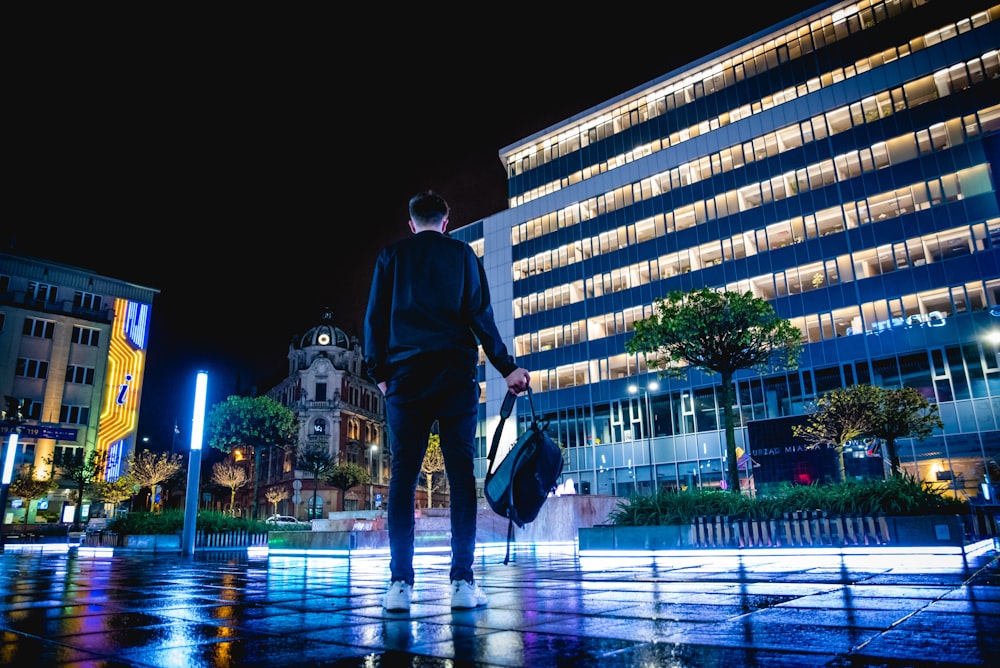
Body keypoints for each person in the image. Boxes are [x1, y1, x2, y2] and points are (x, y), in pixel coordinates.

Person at [364, 190, 531, 613]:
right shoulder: (463, 256)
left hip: (405, 379)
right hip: (456, 378)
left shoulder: (391, 256)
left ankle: (400, 585)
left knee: (402, 477)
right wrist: (507, 367)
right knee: (460, 477)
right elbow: (481, 317)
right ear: (446, 221)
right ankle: (461, 583)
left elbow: (374, 320)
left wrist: (379, 375)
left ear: (411, 222)